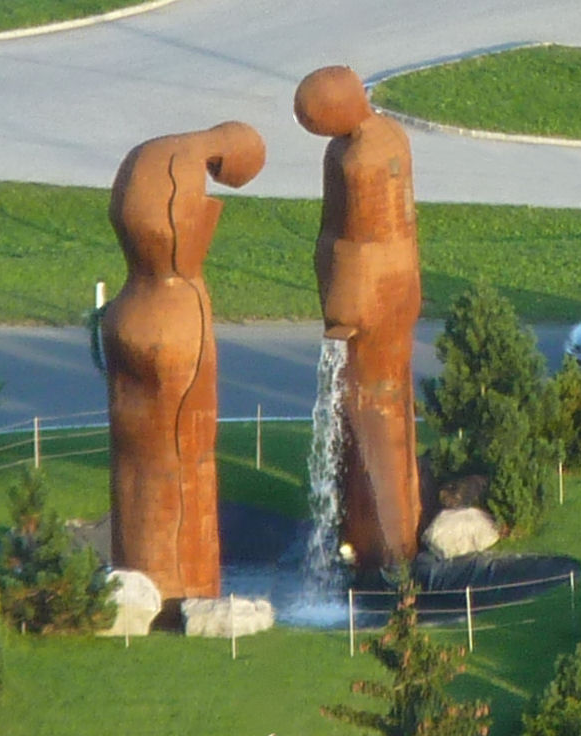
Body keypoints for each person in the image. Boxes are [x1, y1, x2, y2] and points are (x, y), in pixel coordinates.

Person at [103, 122, 265, 602]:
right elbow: (172, 236)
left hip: (129, 309)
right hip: (174, 319)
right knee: (183, 462)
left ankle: (138, 582)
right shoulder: (180, 167)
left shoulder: (146, 153)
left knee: (138, 458)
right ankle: (181, 593)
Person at [295, 66, 421, 577]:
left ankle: (388, 544)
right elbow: (333, 228)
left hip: (373, 294)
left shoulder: (368, 156)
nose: (315, 129)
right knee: (363, 405)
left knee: (374, 404)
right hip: (367, 285)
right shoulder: (346, 148)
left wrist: (347, 302)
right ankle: (368, 531)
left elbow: (367, 241)